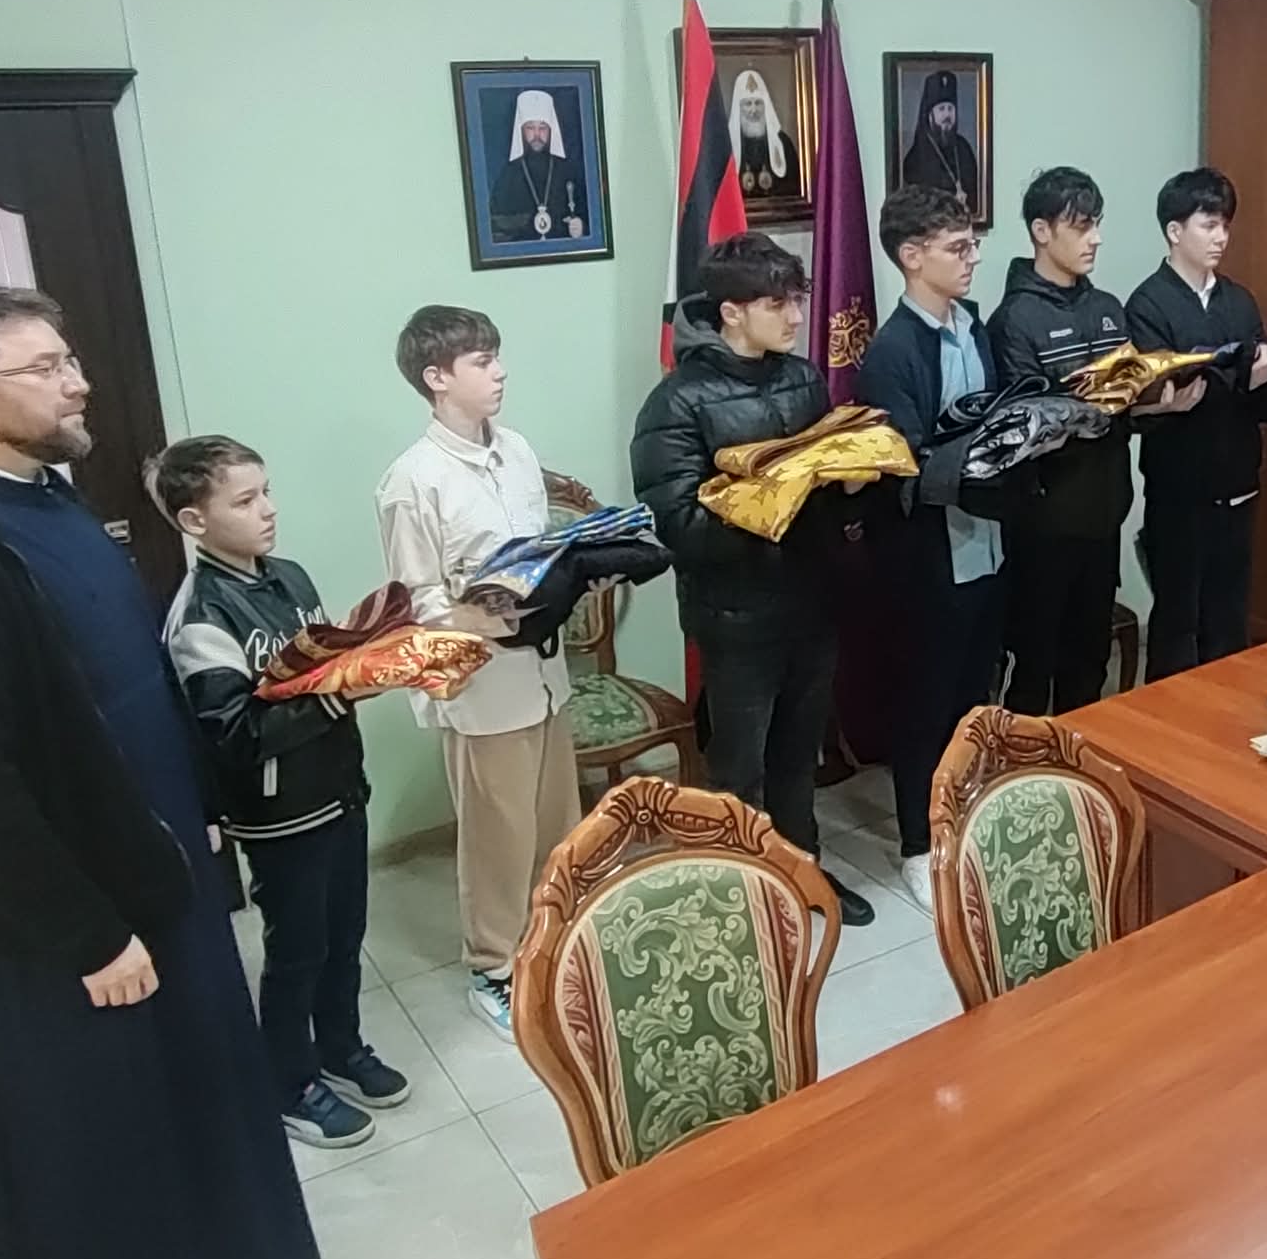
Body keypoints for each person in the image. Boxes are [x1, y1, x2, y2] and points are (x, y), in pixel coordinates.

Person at [0, 288, 316, 1259]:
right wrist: (86, 934)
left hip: (160, 873)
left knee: (203, 1122)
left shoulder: (49, 497)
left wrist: (200, 799)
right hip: (80, 924)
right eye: (46, 367)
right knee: (116, 1173)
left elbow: (134, 679)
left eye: (69, 359)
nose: (78, 382)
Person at [159, 435, 409, 1150]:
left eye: (265, 491)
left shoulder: (289, 579)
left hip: (339, 790)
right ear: (194, 521)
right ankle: (290, 1083)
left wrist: (368, 662)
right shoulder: (201, 618)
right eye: (244, 500)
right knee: (298, 951)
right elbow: (236, 736)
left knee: (345, 937)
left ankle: (341, 1048)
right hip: (279, 816)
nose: (267, 510)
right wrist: (339, 696)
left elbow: (320, 668)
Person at [630, 232, 876, 926]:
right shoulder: (676, 403)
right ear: (731, 312)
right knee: (740, 769)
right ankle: (738, 902)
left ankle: (803, 872)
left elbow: (826, 488)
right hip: (735, 617)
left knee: (800, 756)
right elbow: (679, 523)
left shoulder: (801, 378)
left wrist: (850, 484)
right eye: (777, 304)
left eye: (797, 299)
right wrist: (770, 505)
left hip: (811, 603)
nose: (796, 316)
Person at [376, 306, 585, 1039]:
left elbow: (541, 552)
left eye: (496, 357)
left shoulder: (516, 450)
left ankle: (555, 943)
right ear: (436, 378)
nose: (499, 373)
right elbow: (417, 601)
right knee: (498, 836)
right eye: (481, 361)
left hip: (544, 673)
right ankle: (493, 967)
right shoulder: (412, 480)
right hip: (482, 686)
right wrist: (491, 616)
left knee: (558, 825)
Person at [987, 166, 1203, 715]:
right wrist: (1092, 407)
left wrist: (1157, 404)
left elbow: (1125, 408)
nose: (1096, 239)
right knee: (1033, 666)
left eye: (1097, 224)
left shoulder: (1107, 308)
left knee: (1088, 661)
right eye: (1081, 227)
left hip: (1104, 515)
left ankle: (1080, 761)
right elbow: (1022, 425)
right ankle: (1028, 766)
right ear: (1042, 231)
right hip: (1042, 524)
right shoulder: (1014, 319)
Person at [856, 186, 1003, 910]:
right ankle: (919, 844)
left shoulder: (973, 327)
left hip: (987, 545)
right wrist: (983, 456)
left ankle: (966, 817)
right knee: (924, 705)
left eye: (973, 244)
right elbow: (907, 462)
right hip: (927, 557)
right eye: (957, 247)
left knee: (974, 697)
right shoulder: (891, 352)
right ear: (912, 257)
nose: (972, 258)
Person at [1126, 167, 1267, 679]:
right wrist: (1236, 374)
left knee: (1229, 623)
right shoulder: (1147, 303)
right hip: (1179, 491)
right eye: (1208, 225)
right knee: (1177, 624)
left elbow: (1260, 399)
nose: (1221, 237)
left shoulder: (1238, 300)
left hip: (1239, 485)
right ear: (1175, 231)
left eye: (1225, 225)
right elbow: (1166, 392)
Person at [489, 88, 588, 243]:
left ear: (551, 130)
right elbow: (497, 224)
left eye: (542, 128)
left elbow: (587, 214)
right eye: (530, 128)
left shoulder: (567, 171)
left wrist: (581, 227)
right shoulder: (510, 173)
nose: (537, 135)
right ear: (521, 130)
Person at [900, 69, 980, 209]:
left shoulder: (963, 148)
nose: (947, 115)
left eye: (950, 108)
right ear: (930, 115)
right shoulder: (915, 158)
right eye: (941, 109)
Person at [728, 69, 801, 203]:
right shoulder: (726, 146)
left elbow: (795, 186)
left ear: (766, 105)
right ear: (739, 108)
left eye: (758, 103)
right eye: (748, 103)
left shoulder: (783, 142)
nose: (753, 110)